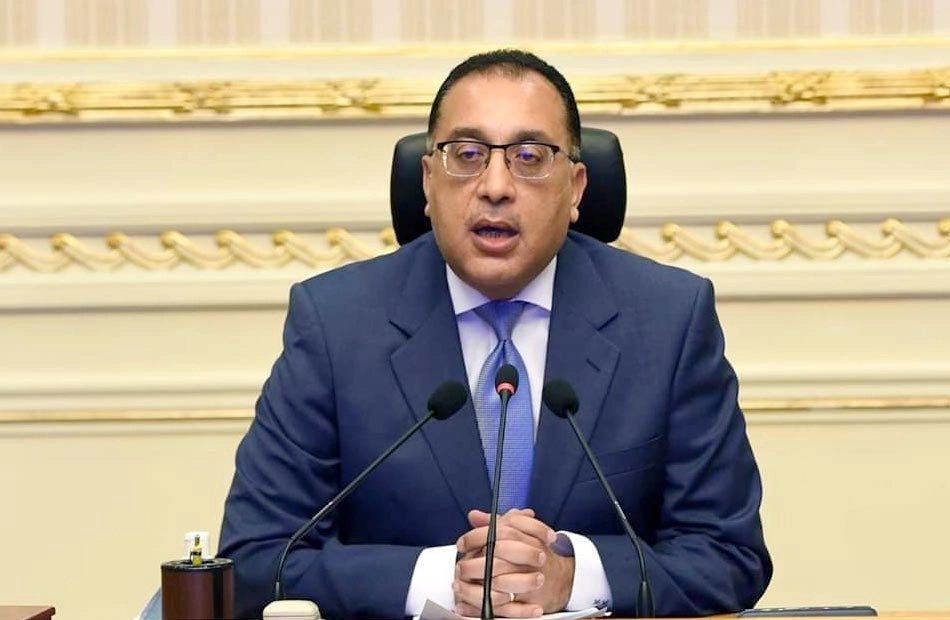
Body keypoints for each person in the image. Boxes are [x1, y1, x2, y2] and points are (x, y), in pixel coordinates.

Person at [218, 48, 771, 620]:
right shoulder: (336, 323)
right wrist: (444, 578)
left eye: (530, 157)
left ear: (576, 188)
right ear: (428, 182)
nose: (496, 186)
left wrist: (573, 577)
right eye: (467, 155)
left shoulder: (668, 319)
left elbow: (729, 554)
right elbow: (256, 561)